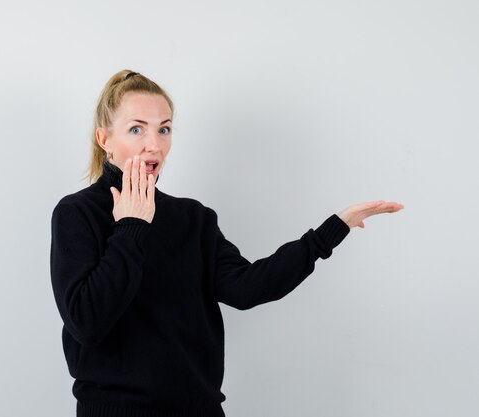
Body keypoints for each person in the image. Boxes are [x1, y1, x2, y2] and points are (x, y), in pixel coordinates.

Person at [50, 69, 404, 417]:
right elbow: (87, 322)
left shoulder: (193, 218)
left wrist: (329, 232)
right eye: (136, 129)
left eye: (165, 129)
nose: (154, 144)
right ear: (104, 139)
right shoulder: (77, 213)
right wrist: (131, 226)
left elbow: (247, 288)